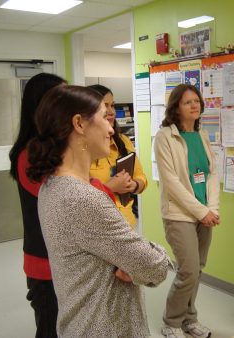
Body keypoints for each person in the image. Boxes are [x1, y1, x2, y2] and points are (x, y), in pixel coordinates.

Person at [26, 85, 170, 337]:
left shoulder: (52, 185)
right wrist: (146, 256)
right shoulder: (82, 198)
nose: (111, 127)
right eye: (104, 116)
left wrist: (129, 261)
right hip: (105, 327)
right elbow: (155, 267)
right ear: (79, 124)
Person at [154, 84, 220, 338]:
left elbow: (212, 173)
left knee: (198, 268)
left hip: (204, 212)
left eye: (197, 101)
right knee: (188, 270)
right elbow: (172, 183)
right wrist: (201, 211)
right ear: (176, 108)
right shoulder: (165, 137)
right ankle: (171, 322)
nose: (195, 105)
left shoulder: (202, 135)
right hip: (179, 214)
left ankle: (189, 319)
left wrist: (211, 208)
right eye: (187, 102)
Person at [9, 72, 66, 338]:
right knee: (50, 329)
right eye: (60, 99)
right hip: (45, 262)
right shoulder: (29, 155)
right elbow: (64, 197)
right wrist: (106, 187)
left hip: (64, 259)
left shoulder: (55, 147)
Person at [89, 84, 147, 228]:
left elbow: (141, 178)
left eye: (112, 105)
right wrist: (111, 187)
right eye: (104, 106)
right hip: (101, 227)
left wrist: (133, 185)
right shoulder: (83, 148)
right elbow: (78, 198)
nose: (110, 111)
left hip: (127, 223)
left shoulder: (124, 141)